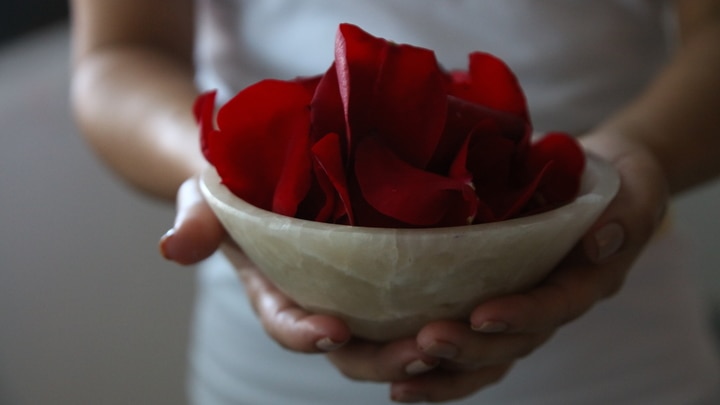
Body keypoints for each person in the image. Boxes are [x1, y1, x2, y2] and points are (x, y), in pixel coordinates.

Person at [70, 0, 720, 403]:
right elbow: (119, 53)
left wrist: (639, 151)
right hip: (267, 363)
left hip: (617, 366)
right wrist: (225, 177)